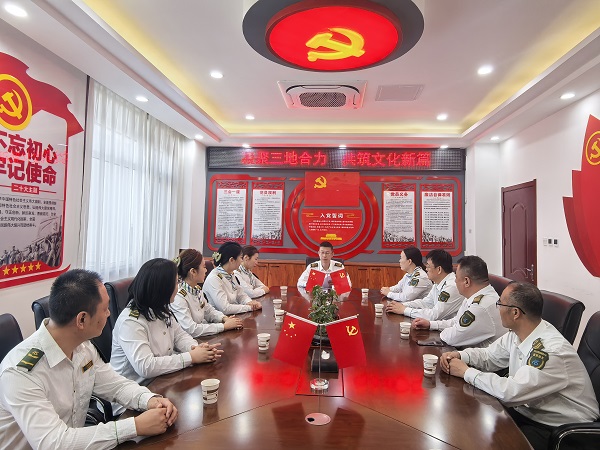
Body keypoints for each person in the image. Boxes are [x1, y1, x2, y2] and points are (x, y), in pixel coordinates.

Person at [0, 269, 179, 449]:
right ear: (82, 320)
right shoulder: (20, 373)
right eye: (105, 309)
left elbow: (115, 385)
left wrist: (149, 399)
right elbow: (54, 443)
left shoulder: (83, 347)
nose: (109, 314)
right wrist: (134, 426)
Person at [441, 282, 599, 450]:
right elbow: (489, 356)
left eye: (500, 303)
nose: (497, 308)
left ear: (515, 313)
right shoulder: (518, 333)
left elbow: (511, 392)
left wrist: (466, 372)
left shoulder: (551, 351)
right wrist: (461, 355)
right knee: (473, 425)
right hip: (529, 412)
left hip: (564, 430)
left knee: (490, 441)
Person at [111, 258, 223, 385]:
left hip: (162, 378)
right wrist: (191, 357)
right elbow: (146, 367)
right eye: (176, 283)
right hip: (137, 387)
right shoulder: (130, 321)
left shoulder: (159, 308)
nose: (178, 287)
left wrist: (195, 348)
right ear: (162, 288)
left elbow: (180, 336)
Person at [412, 255, 504, 347]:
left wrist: (444, 331)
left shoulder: (481, 306)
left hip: (477, 354)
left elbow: (452, 338)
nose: (455, 281)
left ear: (466, 281)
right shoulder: (474, 296)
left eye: (456, 277)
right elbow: (456, 321)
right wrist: (431, 325)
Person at [171, 249, 243, 337]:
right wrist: (223, 326)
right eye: (204, 267)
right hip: (190, 340)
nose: (206, 270)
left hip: (202, 335)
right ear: (193, 271)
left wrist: (224, 318)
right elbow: (191, 329)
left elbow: (208, 311)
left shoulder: (196, 289)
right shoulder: (178, 296)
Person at [386, 249, 463, 320]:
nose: (426, 269)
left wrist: (405, 310)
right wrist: (403, 305)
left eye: (428, 266)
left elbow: (434, 315)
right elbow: (426, 302)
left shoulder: (451, 286)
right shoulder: (438, 282)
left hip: (447, 327)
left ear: (439, 269)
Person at [203, 242, 263, 314]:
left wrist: (249, 302)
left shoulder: (231, 274)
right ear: (231, 260)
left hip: (233, 315)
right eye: (241, 257)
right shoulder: (214, 278)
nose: (242, 260)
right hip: (220, 318)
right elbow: (225, 308)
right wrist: (250, 307)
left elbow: (241, 294)